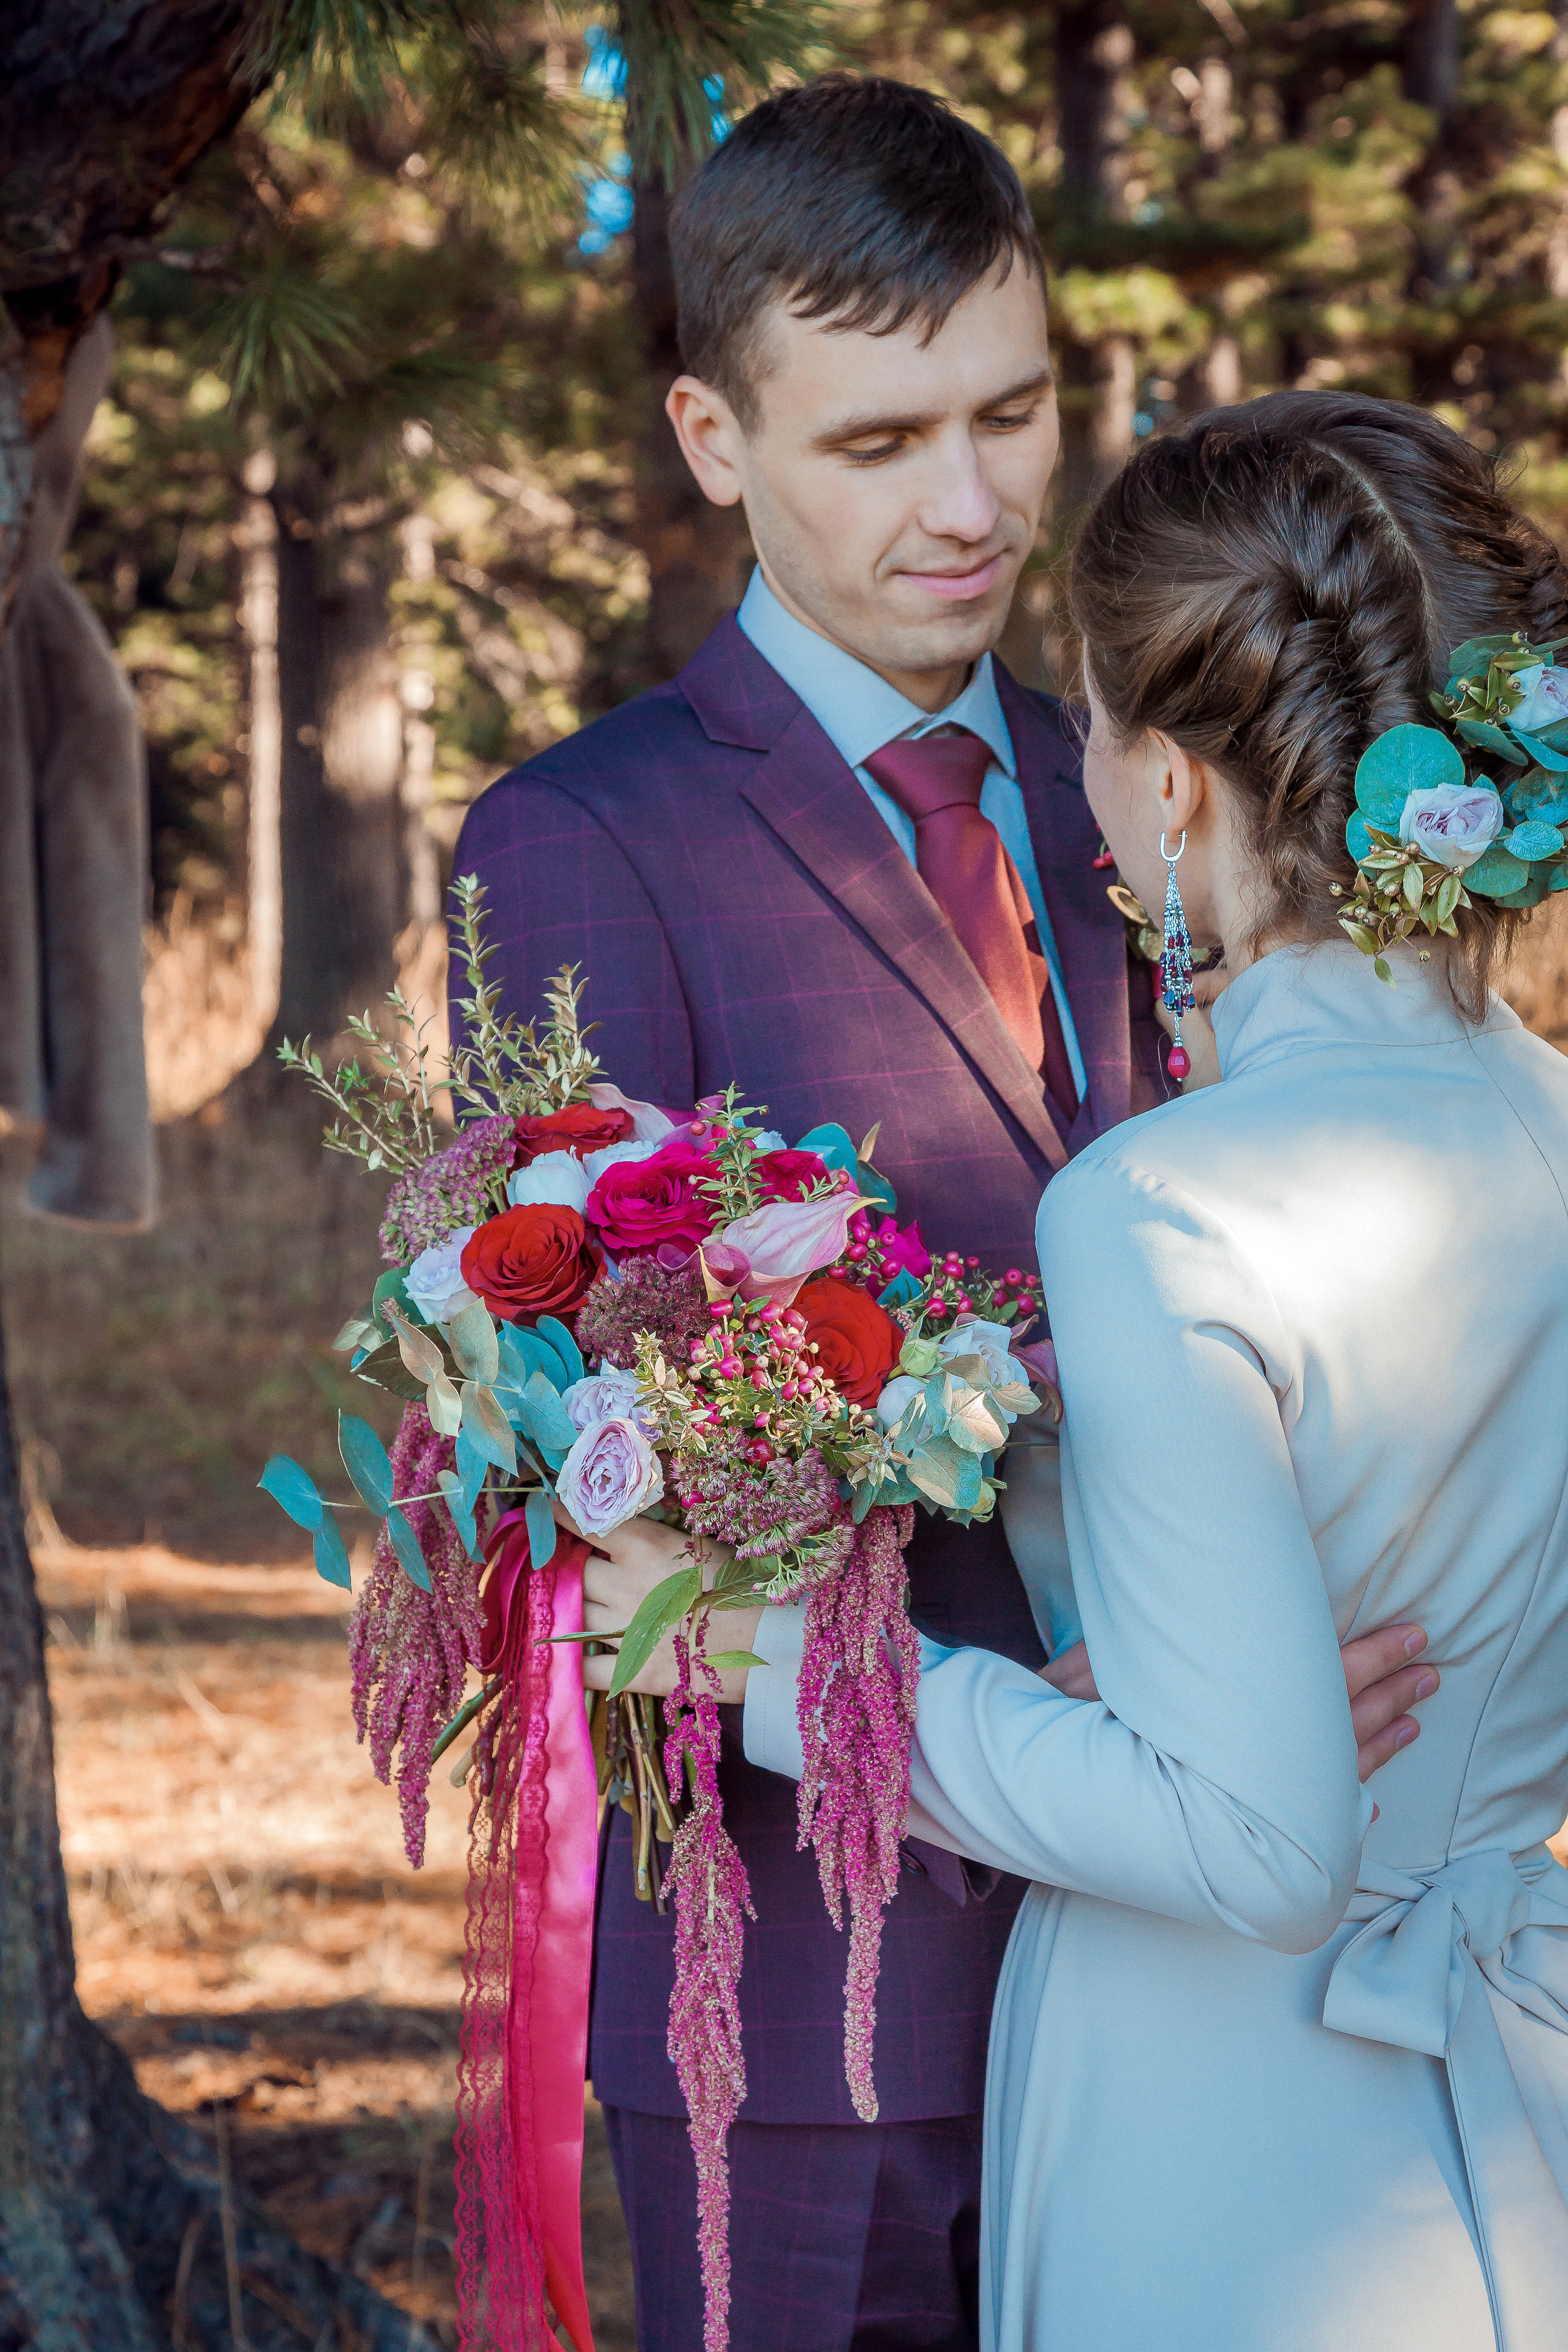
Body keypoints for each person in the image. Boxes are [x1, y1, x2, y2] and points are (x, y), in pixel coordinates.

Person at [453, 81, 1433, 2350]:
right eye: (881, 442)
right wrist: (1034, 1712)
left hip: (1241, 1950)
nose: (976, 504)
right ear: (715, 437)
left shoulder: (1166, 787)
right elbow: (567, 1459)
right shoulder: (581, 844)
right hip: (834, 1994)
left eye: (1012, 414)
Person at [590, 390, 1568, 2347]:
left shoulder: (1164, 1209)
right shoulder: (1552, 1118)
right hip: (1513, 2045)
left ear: (1182, 787)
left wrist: (777, 1667)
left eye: (1103, 728)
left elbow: (1263, 1845)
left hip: (1232, 2118)